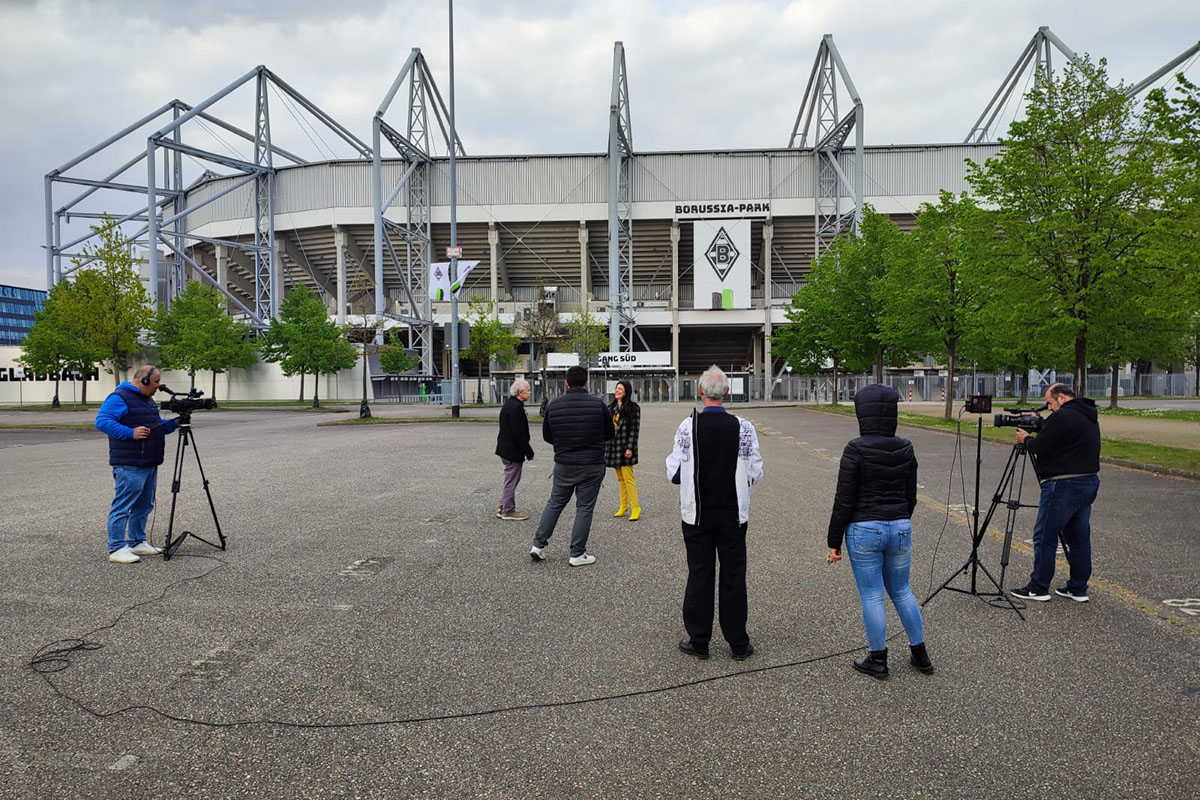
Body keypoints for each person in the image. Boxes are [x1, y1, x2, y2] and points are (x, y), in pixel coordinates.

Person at [827, 383, 932, 680]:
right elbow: (910, 493)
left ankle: (878, 659)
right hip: (899, 525)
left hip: (864, 528)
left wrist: (833, 541)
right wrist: (900, 518)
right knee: (901, 590)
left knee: (872, 595)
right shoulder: (905, 446)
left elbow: (843, 499)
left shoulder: (856, 448)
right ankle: (920, 654)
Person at [666, 365, 763, 661]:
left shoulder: (687, 426)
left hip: (696, 513)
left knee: (700, 573)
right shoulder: (743, 426)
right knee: (734, 575)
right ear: (727, 393)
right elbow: (755, 470)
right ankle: (738, 642)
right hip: (733, 514)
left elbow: (674, 471)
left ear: (700, 392)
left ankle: (700, 640)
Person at [1010, 383, 1101, 604]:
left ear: (1061, 398)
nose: (1048, 407)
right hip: (1087, 481)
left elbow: (1042, 445)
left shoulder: (1064, 416)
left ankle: (1038, 587)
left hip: (1062, 484)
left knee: (1045, 537)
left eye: (1049, 402)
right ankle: (1078, 588)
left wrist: (1027, 439)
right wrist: (1041, 425)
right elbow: (1061, 436)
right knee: (1079, 538)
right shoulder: (1087, 415)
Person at [529, 365, 613, 566]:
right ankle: (577, 553)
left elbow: (547, 436)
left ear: (566, 383)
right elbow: (610, 433)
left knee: (555, 502)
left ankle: (538, 545)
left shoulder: (554, 406)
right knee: (584, 508)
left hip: (564, 463)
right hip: (592, 463)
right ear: (586, 382)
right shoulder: (598, 405)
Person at [93, 365, 178, 564]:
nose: (158, 386)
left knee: (144, 505)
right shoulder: (119, 397)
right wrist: (130, 433)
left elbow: (156, 427)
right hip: (130, 464)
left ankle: (137, 541)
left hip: (149, 461)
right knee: (123, 506)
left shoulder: (147, 401)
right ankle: (116, 548)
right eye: (156, 382)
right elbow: (102, 421)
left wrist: (175, 423)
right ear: (144, 380)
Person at [495, 379, 535, 521]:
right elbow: (518, 433)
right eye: (528, 390)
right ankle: (508, 510)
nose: (530, 392)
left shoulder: (510, 404)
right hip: (512, 450)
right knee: (511, 480)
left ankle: (503, 506)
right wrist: (528, 451)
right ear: (520, 392)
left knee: (510, 479)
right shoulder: (516, 408)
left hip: (506, 448)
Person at [605, 379, 642, 521]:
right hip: (614, 447)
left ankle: (636, 508)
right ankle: (623, 505)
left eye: (620, 389)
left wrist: (630, 448)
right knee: (620, 479)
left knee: (628, 479)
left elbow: (634, 430)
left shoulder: (633, 408)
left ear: (626, 391)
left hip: (625, 447)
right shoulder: (611, 408)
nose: (617, 391)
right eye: (616, 388)